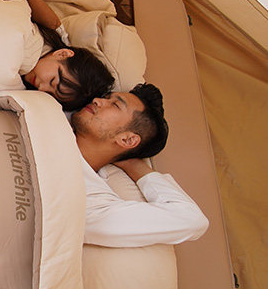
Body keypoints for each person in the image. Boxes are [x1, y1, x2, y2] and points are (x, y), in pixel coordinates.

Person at [70, 82, 209, 247]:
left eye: (115, 105)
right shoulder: (58, 111)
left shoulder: (92, 201)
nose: (97, 100)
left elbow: (191, 220)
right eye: (106, 98)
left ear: (127, 139)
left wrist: (135, 166)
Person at [0, 0, 114, 111]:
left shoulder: (23, 89)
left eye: (50, 94)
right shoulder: (54, 36)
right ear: (63, 54)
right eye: (52, 81)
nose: (41, 88)